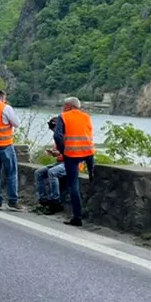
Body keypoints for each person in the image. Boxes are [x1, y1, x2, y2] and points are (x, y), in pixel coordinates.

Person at [54, 96, 95, 227]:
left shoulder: (63, 117)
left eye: (64, 106)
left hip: (71, 154)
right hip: (89, 153)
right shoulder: (87, 117)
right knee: (93, 179)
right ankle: (93, 210)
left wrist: (62, 150)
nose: (62, 108)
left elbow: (57, 135)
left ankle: (77, 217)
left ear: (69, 106)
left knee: (74, 185)